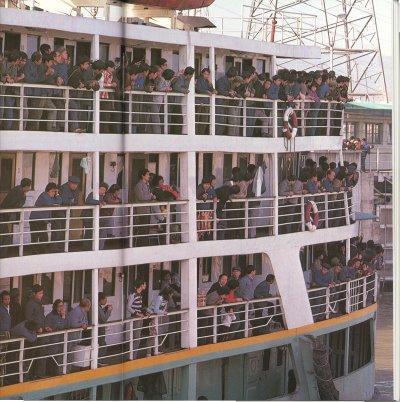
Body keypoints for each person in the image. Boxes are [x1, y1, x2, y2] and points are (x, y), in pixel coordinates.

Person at [0, 178, 32, 257]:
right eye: (29, 186)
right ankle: (2, 256)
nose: (30, 189)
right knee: (6, 237)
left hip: (4, 216)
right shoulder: (18, 192)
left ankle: (3, 255)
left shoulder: (19, 191)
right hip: (3, 216)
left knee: (6, 237)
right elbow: (15, 205)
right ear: (26, 186)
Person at [133, 169, 163, 246]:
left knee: (146, 229)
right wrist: (151, 196)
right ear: (143, 176)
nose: (149, 176)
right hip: (142, 210)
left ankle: (144, 246)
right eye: (147, 175)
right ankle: (141, 246)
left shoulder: (147, 185)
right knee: (142, 229)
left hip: (147, 210)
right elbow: (141, 197)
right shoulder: (139, 185)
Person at [51, 176, 80, 252]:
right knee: (57, 230)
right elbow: (63, 201)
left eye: (76, 184)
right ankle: (54, 248)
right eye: (73, 184)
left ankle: (62, 247)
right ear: (69, 183)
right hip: (58, 212)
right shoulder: (64, 188)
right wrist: (71, 201)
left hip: (67, 212)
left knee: (65, 229)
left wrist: (71, 201)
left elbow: (76, 201)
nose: (75, 186)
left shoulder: (76, 190)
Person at [44, 299, 68, 376]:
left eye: (62, 306)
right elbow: (53, 327)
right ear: (55, 307)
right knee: (52, 358)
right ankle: (50, 373)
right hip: (52, 341)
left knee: (59, 357)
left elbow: (66, 326)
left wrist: (63, 316)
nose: (61, 308)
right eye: (60, 306)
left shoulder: (62, 316)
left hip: (60, 340)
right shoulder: (50, 316)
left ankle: (56, 372)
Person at [81, 183, 109, 249]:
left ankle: (90, 247)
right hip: (87, 216)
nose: (103, 191)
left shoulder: (101, 196)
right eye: (101, 189)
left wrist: (103, 202)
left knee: (91, 232)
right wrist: (99, 202)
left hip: (92, 217)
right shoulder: (93, 194)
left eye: (104, 190)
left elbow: (101, 201)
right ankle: (86, 248)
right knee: (89, 232)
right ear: (98, 189)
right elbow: (88, 200)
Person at [126, 279, 147, 359]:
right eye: (144, 284)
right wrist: (137, 314)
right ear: (141, 285)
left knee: (137, 338)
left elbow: (139, 307)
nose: (145, 286)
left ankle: (134, 355)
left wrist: (144, 312)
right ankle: (132, 356)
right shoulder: (133, 294)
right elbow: (128, 307)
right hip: (135, 318)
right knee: (136, 338)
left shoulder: (139, 295)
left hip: (139, 318)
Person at [99, 184, 122, 249]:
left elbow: (120, 200)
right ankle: (100, 247)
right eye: (118, 191)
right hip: (103, 215)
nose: (119, 193)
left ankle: (101, 247)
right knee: (102, 232)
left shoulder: (114, 196)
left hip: (107, 215)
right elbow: (109, 201)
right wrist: (116, 201)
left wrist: (117, 200)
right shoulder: (108, 195)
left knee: (104, 232)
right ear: (115, 191)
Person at [195, 67, 216, 135]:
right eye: (205, 74)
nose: (206, 75)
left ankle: (202, 134)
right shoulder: (198, 80)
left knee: (204, 120)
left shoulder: (208, 82)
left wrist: (214, 90)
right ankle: (196, 134)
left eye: (208, 74)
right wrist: (206, 91)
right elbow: (197, 89)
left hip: (206, 103)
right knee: (197, 119)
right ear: (202, 74)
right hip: (199, 102)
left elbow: (211, 89)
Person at [98, 292, 113, 362]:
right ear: (101, 300)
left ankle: (98, 360)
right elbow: (104, 318)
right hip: (99, 329)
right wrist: (109, 311)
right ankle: (100, 360)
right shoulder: (98, 307)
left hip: (98, 328)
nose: (106, 301)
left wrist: (105, 309)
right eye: (105, 299)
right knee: (102, 344)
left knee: (101, 344)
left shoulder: (98, 307)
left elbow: (100, 314)